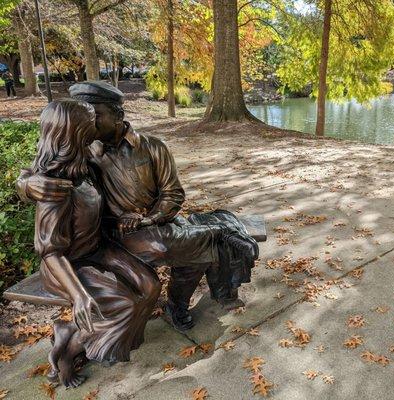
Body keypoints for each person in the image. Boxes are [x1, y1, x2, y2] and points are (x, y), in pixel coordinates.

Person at [17, 81, 255, 332]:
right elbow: (43, 164)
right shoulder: (84, 150)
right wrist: (26, 184)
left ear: (118, 115)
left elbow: (173, 193)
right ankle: (219, 232)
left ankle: (178, 303)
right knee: (167, 246)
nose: (90, 124)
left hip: (155, 223)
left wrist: (150, 218)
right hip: (114, 235)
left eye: (96, 116)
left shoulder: (153, 147)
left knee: (186, 250)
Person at [31, 99, 161, 388]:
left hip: (96, 249)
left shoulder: (85, 164)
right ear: (75, 131)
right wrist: (78, 295)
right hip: (65, 265)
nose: (97, 124)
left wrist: (124, 218)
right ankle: (69, 349)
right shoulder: (55, 187)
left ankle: (84, 335)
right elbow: (51, 251)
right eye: (91, 121)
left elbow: (94, 215)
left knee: (151, 286)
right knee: (124, 305)